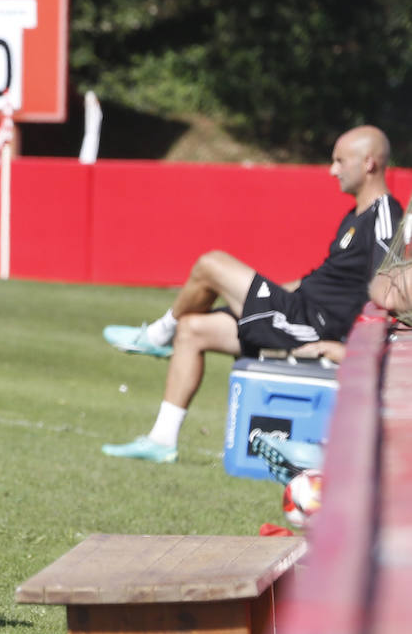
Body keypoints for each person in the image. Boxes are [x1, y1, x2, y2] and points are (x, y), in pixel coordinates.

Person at [100, 125, 402, 462]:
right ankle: (161, 441)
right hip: (298, 308)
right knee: (194, 329)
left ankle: (157, 335)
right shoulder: (353, 216)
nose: (332, 170)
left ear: (369, 163)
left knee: (210, 264)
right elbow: (326, 284)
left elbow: (389, 293)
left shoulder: (386, 214)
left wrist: (346, 348)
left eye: (339, 161)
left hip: (308, 324)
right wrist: (271, 291)